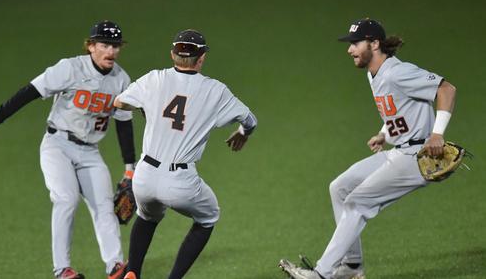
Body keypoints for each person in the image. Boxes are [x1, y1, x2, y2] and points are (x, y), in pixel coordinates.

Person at [279, 18, 457, 279]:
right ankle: (351, 267)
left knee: (356, 204)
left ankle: (321, 274)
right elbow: (398, 108)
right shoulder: (374, 74)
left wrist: (437, 133)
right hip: (399, 150)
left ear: (374, 44)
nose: (349, 50)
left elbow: (446, 89)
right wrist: (384, 133)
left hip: (417, 156)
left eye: (355, 43)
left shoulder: (398, 71)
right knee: (339, 187)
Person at [0, 20, 137, 279]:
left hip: (90, 152)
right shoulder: (69, 68)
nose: (111, 51)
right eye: (105, 45)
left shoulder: (121, 80)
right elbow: (31, 91)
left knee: (104, 206)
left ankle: (115, 266)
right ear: (91, 46)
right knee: (65, 199)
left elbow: (124, 126)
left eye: (115, 46)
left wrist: (129, 169)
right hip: (57, 145)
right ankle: (62, 270)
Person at [113, 29, 258, 279]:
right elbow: (250, 119)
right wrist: (244, 132)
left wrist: (147, 108)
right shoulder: (216, 90)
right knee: (209, 216)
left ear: (172, 55)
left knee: (147, 215)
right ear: (201, 58)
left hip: (144, 176)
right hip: (179, 181)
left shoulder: (154, 78)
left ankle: (133, 271)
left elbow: (119, 103)